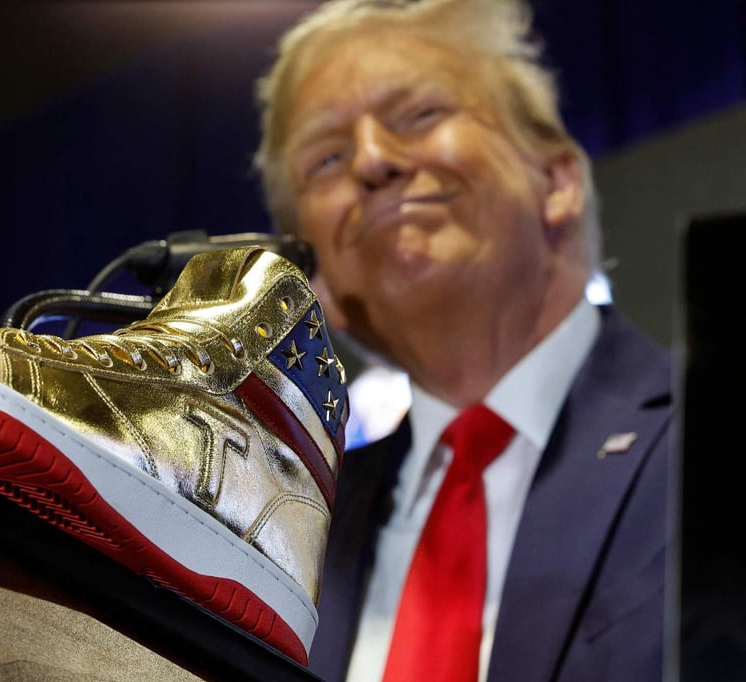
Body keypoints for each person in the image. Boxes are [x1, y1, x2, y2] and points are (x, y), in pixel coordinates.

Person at [252, 0, 672, 680]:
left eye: (419, 115)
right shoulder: (288, 543)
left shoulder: (717, 434)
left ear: (556, 181)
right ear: (315, 276)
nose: (372, 161)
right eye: (326, 159)